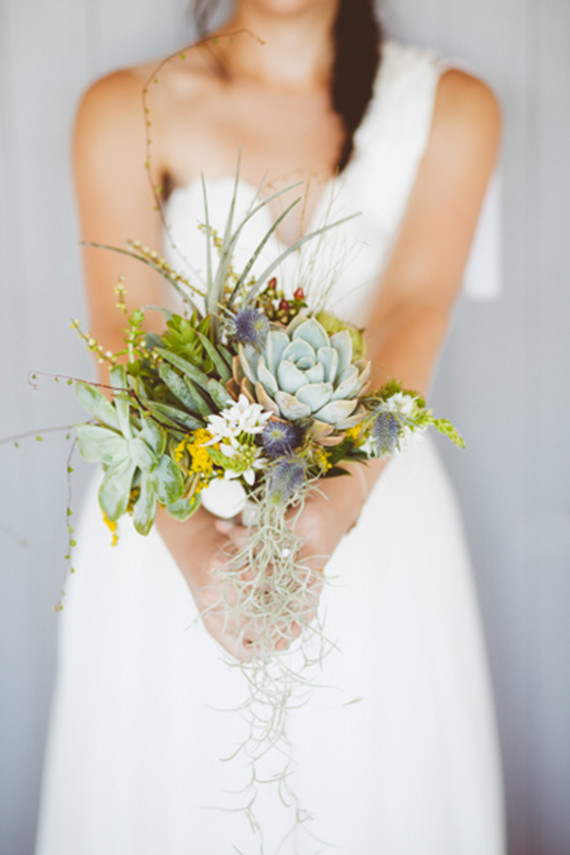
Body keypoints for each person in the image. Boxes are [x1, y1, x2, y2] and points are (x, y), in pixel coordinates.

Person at [35, 1, 506, 853]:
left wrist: (334, 504)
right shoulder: (126, 107)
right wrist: (192, 543)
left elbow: (414, 309)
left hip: (375, 508)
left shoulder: (453, 107)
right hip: (171, 517)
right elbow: (121, 338)